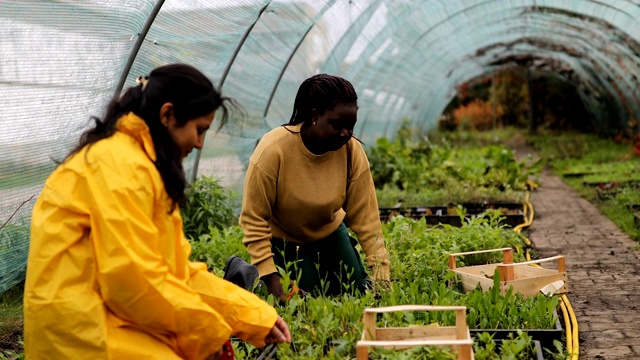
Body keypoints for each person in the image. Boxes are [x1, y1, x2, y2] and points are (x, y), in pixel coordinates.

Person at [23, 64, 291, 360]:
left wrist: (252, 316)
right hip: (81, 336)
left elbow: (175, 273)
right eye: (199, 129)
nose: (200, 143)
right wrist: (206, 332)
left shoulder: (139, 164)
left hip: (106, 319)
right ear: (167, 115)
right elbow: (132, 282)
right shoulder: (120, 166)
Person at [239, 74, 391, 301]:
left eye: (351, 126)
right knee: (302, 300)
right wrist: (270, 277)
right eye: (337, 125)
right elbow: (253, 219)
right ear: (314, 116)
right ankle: (246, 274)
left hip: (329, 233)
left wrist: (381, 275)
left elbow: (366, 218)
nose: (346, 134)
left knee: (354, 292)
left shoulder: (351, 151)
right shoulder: (274, 150)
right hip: (286, 240)